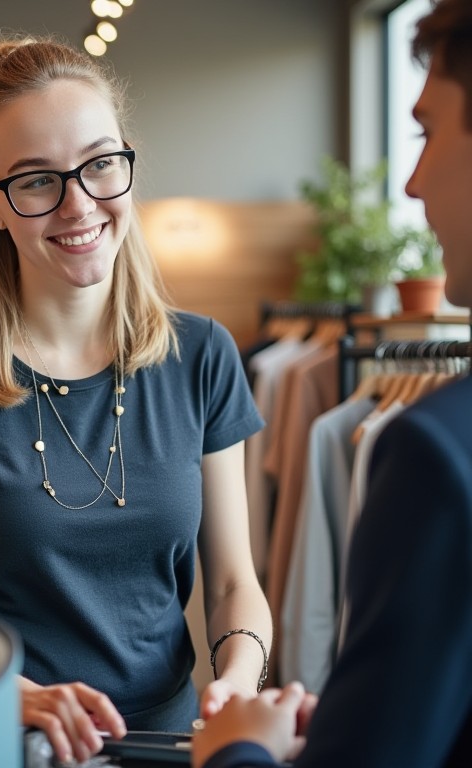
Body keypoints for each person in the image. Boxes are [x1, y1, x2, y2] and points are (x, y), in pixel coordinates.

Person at [0, 35, 272, 765]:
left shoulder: (203, 354)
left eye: (100, 164)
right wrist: (19, 696)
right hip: (1, 742)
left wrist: (235, 677)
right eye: (37, 180)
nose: (79, 205)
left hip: (169, 743)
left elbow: (235, 583)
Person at [192, 2, 472, 765]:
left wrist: (236, 747)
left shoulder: (437, 454)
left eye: (428, 132)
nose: (411, 182)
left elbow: (234, 580)